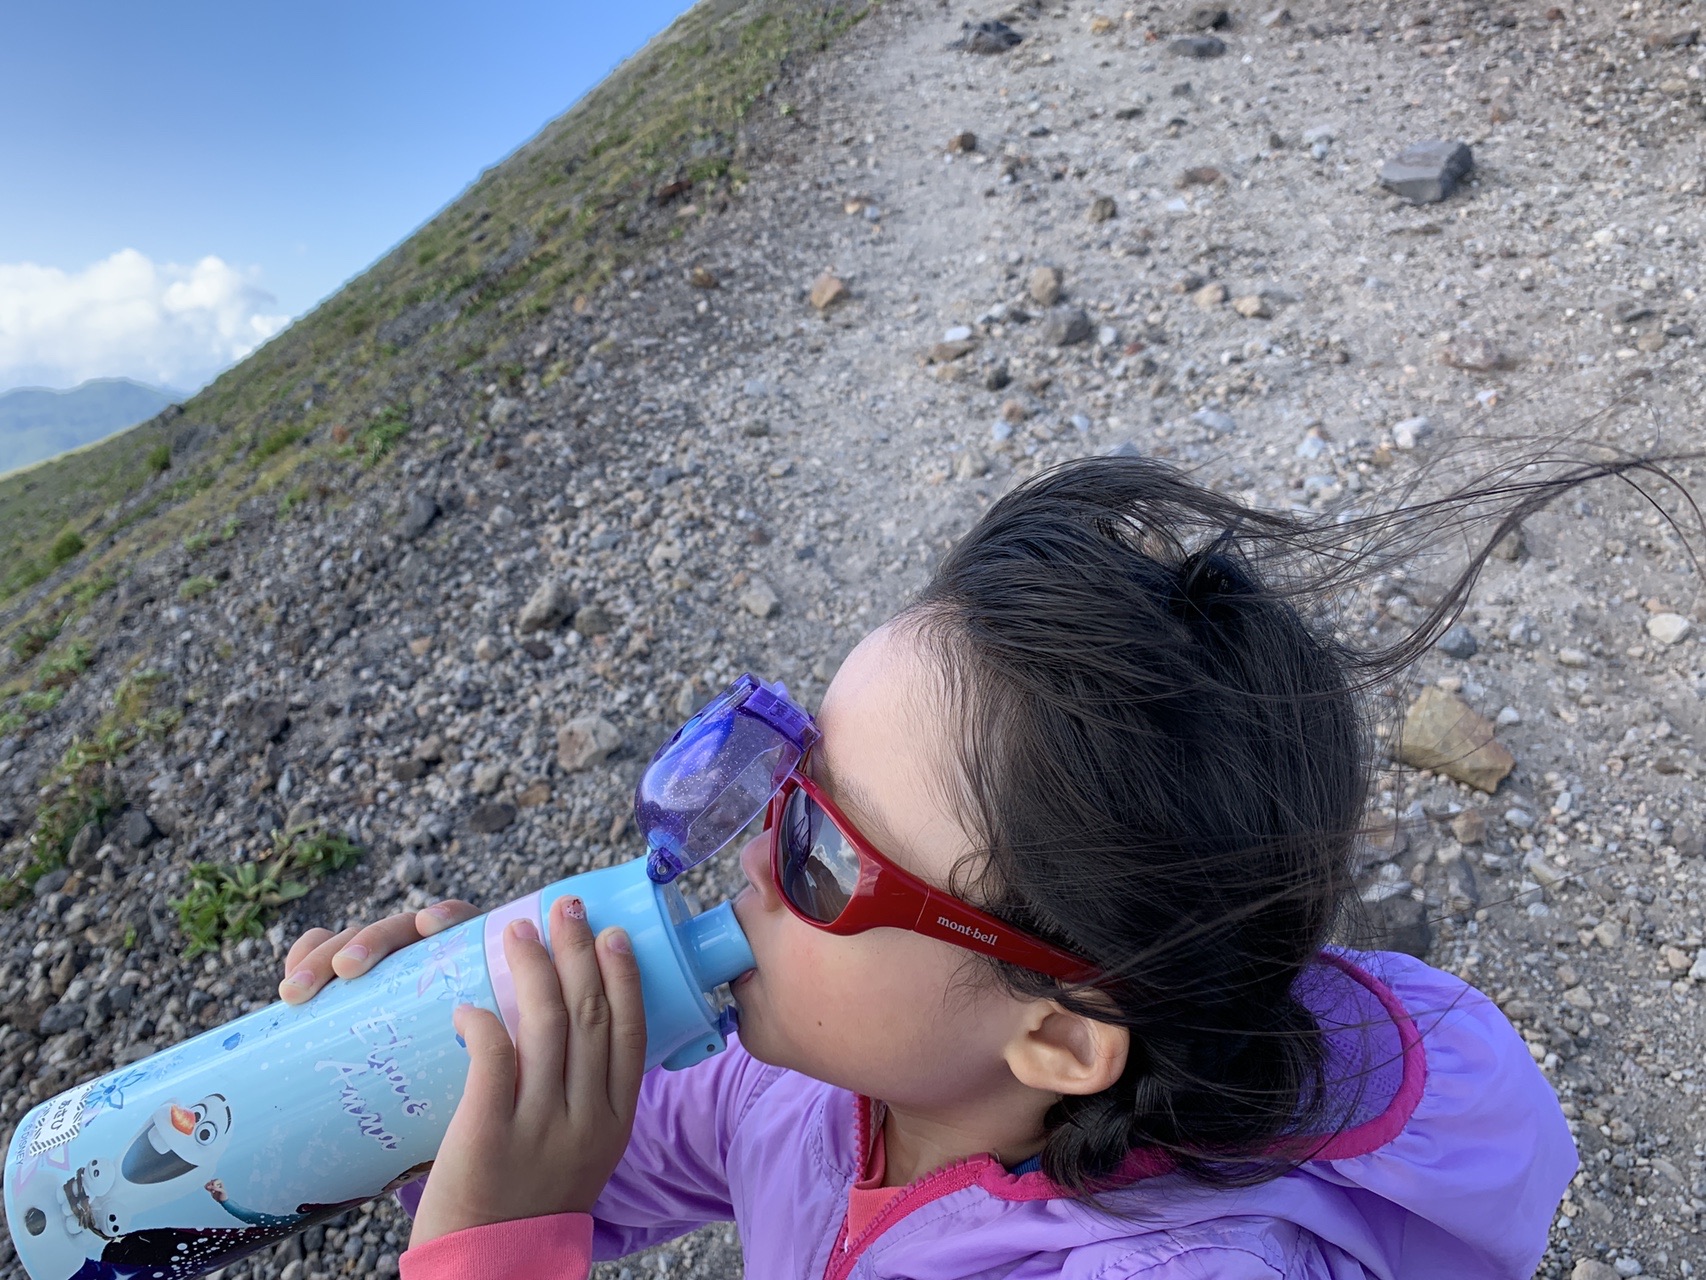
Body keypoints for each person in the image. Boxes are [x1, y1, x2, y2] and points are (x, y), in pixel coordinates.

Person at [279, 452, 1682, 1279]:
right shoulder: (813, 1077)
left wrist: (489, 1255)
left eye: (823, 855)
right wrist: (412, 1094)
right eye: (782, 775)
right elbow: (587, 1170)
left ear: (1059, 1035)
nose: (753, 860)